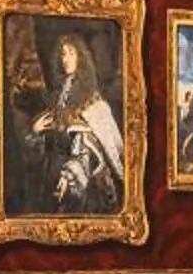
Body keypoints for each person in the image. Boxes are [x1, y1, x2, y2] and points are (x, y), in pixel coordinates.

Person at [31, 35, 126, 211]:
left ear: (80, 57)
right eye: (63, 54)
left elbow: (91, 146)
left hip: (81, 183)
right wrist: (36, 131)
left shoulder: (93, 102)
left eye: (71, 53)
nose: (65, 59)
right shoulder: (58, 97)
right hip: (52, 172)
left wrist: (69, 177)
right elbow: (48, 141)